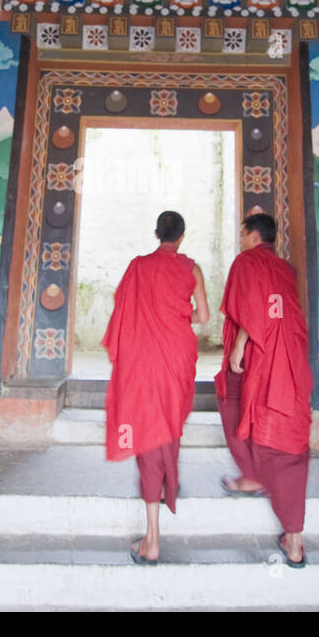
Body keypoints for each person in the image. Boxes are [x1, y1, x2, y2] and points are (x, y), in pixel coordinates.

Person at [102, 210, 210, 565]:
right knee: (170, 423)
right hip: (178, 354)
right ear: (181, 237)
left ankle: (152, 541)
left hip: (145, 357)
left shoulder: (137, 266)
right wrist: (178, 316)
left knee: (148, 431)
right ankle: (169, 484)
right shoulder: (192, 269)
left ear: (156, 234)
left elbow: (123, 309)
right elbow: (204, 316)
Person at [215, 213, 313, 567]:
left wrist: (241, 343)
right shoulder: (284, 268)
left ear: (252, 234)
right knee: (286, 431)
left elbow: (252, 311)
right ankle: (294, 536)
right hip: (291, 359)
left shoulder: (246, 262)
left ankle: (254, 475)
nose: (241, 238)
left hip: (261, 352)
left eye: (242, 232)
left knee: (232, 400)